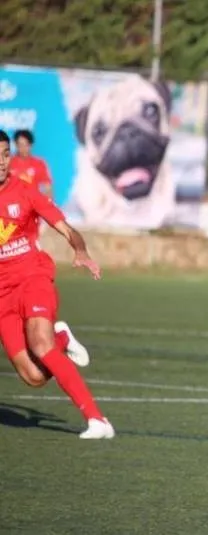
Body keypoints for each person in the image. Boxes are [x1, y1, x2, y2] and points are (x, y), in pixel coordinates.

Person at [0, 130, 113, 439]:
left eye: (5, 154)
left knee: (40, 344)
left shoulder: (25, 192)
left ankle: (97, 420)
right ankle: (61, 337)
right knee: (33, 376)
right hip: (2, 297)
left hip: (32, 277)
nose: (1, 161)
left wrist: (79, 250)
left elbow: (65, 227)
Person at [9, 130, 53, 198]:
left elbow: (48, 187)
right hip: (13, 203)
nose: (23, 148)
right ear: (16, 145)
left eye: (26, 145)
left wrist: (49, 205)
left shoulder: (39, 163)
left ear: (31, 145)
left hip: (34, 203)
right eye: (20, 145)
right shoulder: (8, 163)